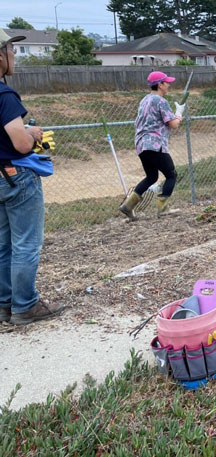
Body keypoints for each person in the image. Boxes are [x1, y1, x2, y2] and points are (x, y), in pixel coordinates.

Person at [0, 30, 63, 325]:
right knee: (25, 243)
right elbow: (22, 144)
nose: (14, 56)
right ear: (0, 57)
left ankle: (4, 303)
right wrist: (32, 133)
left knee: (3, 245)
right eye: (11, 51)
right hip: (16, 177)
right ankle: (25, 305)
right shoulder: (5, 95)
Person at [119, 71, 184, 220]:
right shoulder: (161, 101)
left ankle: (128, 205)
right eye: (166, 83)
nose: (169, 85)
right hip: (155, 144)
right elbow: (173, 124)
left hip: (142, 144)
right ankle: (163, 209)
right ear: (160, 84)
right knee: (171, 175)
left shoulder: (144, 100)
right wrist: (179, 113)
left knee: (151, 176)